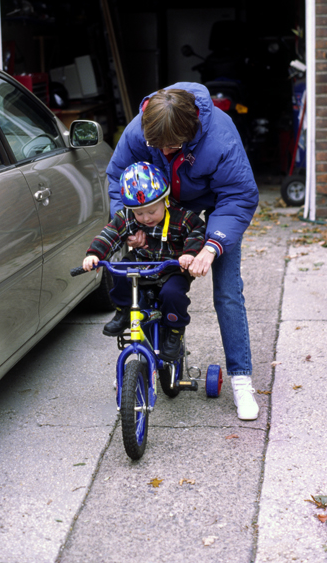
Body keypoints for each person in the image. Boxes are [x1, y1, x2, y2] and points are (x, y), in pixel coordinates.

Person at [107, 83, 260, 420]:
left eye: (172, 146)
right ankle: (156, 350)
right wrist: (132, 227)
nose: (163, 151)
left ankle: (241, 380)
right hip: (158, 206)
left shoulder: (220, 137)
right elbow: (119, 177)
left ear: (192, 131)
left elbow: (237, 197)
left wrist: (211, 246)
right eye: (156, 146)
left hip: (212, 208)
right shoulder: (140, 131)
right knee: (142, 277)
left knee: (228, 292)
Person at [82, 161, 206, 361]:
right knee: (120, 268)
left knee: (173, 294)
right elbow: (111, 232)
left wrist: (190, 253)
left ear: (165, 201)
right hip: (143, 262)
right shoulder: (129, 217)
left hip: (172, 268)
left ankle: (175, 332)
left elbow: (198, 230)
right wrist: (94, 254)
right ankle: (123, 311)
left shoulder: (181, 217)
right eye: (139, 213)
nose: (146, 218)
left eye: (151, 211)